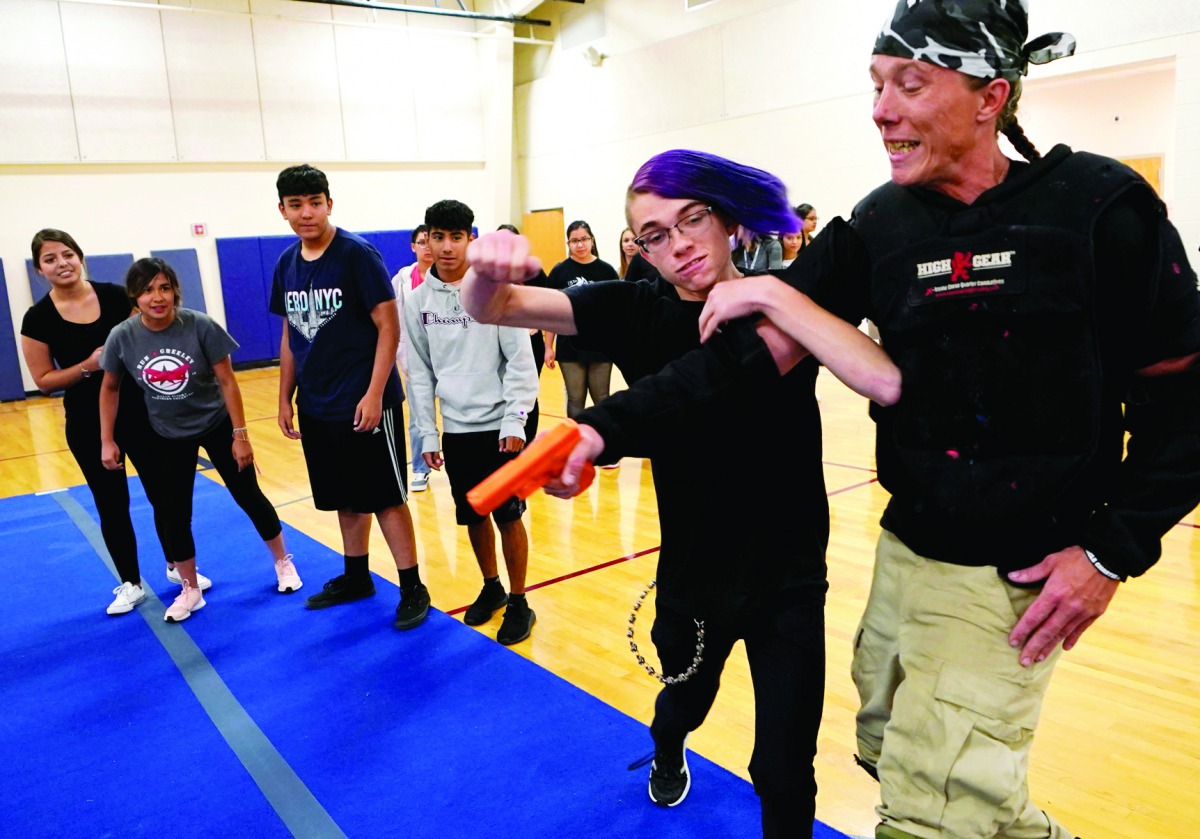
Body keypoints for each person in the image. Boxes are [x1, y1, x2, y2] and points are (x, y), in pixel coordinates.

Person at [518, 3, 1200, 838]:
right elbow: (737, 364)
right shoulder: (884, 222)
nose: (881, 108)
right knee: (892, 749)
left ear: (992, 95)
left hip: (1022, 569)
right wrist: (601, 429)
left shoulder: (1101, 208)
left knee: (927, 806)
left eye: (911, 84)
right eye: (877, 85)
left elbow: (1184, 395)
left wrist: (1111, 549)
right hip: (907, 547)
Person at [460, 150, 899, 836]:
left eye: (693, 219)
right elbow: (503, 307)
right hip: (697, 574)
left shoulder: (788, 299)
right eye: (655, 235)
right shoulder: (635, 309)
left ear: (728, 221)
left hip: (791, 573)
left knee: (786, 769)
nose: (679, 244)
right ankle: (667, 745)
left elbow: (883, 373)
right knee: (684, 702)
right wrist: (484, 273)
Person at [270, 163, 431, 630]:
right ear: (282, 210)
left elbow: (388, 325)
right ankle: (356, 575)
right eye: (296, 205)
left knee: (385, 496)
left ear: (329, 204)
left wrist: (375, 392)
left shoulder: (356, 254)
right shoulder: (286, 264)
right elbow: (289, 336)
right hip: (318, 403)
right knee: (343, 495)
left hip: (365, 400)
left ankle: (412, 585)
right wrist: (285, 396)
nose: (307, 213)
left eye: (315, 203)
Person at [98, 258, 303, 622]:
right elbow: (110, 388)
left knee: (248, 495)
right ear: (135, 297)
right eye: (147, 291)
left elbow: (227, 381)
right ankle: (190, 589)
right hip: (166, 432)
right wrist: (106, 439)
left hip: (215, 423)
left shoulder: (200, 325)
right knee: (174, 512)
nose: (157, 297)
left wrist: (241, 435)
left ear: (175, 290)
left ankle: (283, 562)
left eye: (164, 288)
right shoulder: (123, 336)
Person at [404, 200, 540, 646]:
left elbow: (520, 361)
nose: (445, 247)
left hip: (504, 423)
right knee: (473, 515)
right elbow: (420, 372)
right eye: (437, 236)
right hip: (458, 426)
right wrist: (426, 430)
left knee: (508, 513)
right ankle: (492, 586)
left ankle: (520, 601)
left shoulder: (495, 290)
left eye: (455, 237)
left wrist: (515, 420)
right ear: (427, 239)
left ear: (470, 240)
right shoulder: (418, 300)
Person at [20, 229, 170, 616]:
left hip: (141, 413)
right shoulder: (37, 318)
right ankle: (131, 583)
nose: (62, 263)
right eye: (50, 259)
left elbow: (152, 338)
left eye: (67, 254)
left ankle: (179, 566)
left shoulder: (117, 296)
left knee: (162, 493)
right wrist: (87, 366)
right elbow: (44, 382)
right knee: (112, 504)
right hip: (88, 423)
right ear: (40, 270)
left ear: (81, 257)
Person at [543, 221, 619, 420]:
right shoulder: (560, 271)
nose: (580, 244)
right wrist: (548, 346)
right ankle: (574, 443)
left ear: (592, 240)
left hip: (601, 345)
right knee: (575, 399)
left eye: (584, 239)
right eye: (574, 241)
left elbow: (617, 311)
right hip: (570, 344)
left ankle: (604, 442)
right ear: (568, 243)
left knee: (602, 398)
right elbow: (551, 312)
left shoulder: (607, 271)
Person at [497, 223, 548, 441]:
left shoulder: (532, 271)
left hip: (530, 341)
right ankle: (508, 432)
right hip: (500, 341)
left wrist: (535, 324)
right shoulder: (490, 272)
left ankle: (526, 434)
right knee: (503, 391)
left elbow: (547, 302)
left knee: (528, 393)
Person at [393, 224, 435, 492]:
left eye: (430, 241)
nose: (427, 247)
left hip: (449, 360)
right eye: (422, 242)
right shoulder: (402, 280)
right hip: (416, 359)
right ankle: (420, 468)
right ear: (413, 247)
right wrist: (402, 357)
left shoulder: (449, 276)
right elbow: (394, 322)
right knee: (419, 418)